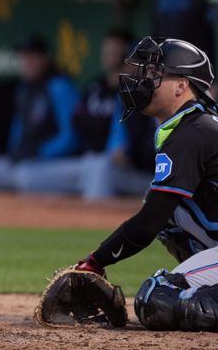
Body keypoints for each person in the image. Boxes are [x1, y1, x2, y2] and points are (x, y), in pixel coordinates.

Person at [69, 36, 218, 331]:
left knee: (158, 297)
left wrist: (95, 261)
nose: (145, 81)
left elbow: (148, 222)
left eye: (155, 75)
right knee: (174, 222)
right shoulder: (191, 127)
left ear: (181, 86)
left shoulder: (195, 133)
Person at [13, 30, 156, 199]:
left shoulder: (164, 99)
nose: (129, 66)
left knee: (101, 168)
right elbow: (116, 138)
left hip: (147, 177)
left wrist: (124, 154)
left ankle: (96, 222)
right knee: (28, 176)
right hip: (93, 163)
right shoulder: (106, 92)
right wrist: (118, 150)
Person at [0, 34, 80, 190]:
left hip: (54, 162)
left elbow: (72, 137)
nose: (28, 63)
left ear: (46, 59)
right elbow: (18, 131)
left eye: (33, 57)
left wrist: (42, 152)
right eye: (24, 57)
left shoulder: (60, 86)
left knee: (25, 177)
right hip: (25, 163)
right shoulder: (23, 90)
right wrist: (16, 153)